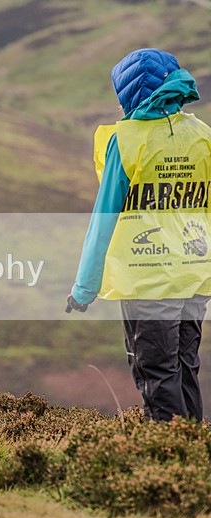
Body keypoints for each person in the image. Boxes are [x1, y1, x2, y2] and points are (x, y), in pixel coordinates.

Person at [67, 48, 211, 422]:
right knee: (184, 369)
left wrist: (84, 288)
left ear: (129, 94)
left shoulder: (126, 141)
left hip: (148, 278)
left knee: (156, 375)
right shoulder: (202, 135)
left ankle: (167, 466)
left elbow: (104, 218)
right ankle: (194, 463)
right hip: (194, 276)